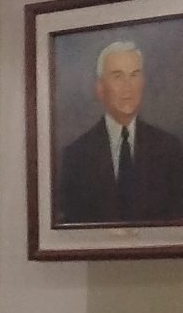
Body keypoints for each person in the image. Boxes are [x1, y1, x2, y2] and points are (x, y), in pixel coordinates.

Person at [56, 40, 183, 226]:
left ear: (143, 83)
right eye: (118, 76)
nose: (128, 86)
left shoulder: (170, 149)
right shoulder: (76, 156)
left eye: (134, 75)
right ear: (100, 88)